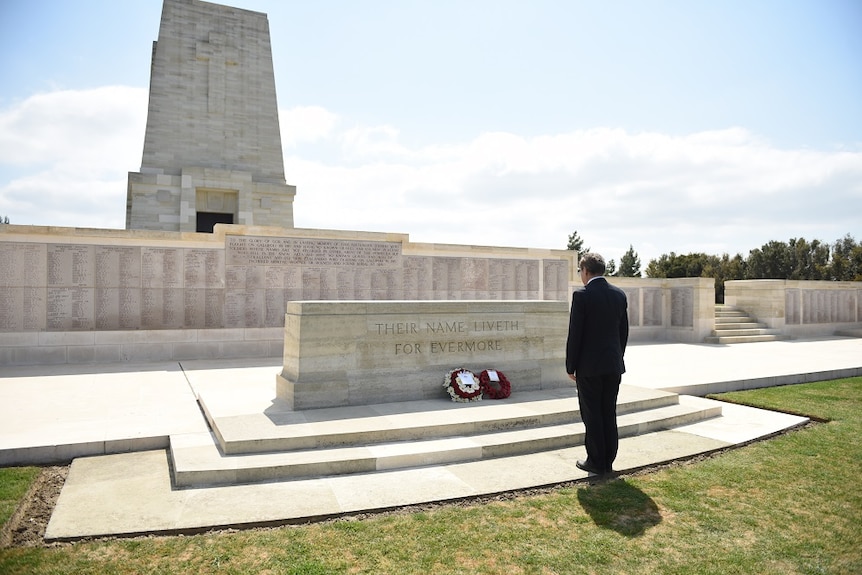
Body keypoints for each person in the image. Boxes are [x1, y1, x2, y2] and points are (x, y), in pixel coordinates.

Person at [566, 252, 629, 476]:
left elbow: (576, 334)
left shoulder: (582, 295)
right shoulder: (619, 295)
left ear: (585, 271)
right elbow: (623, 333)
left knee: (592, 414)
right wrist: (616, 358)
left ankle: (595, 461)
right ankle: (608, 461)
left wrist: (570, 366)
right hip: (612, 366)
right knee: (608, 412)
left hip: (589, 368)